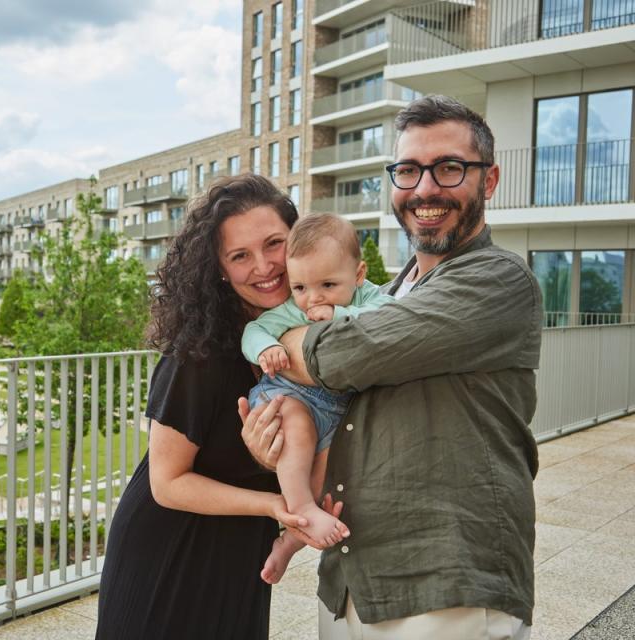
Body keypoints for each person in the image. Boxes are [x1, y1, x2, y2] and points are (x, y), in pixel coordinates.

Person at [241, 95, 542, 639]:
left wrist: (281, 336)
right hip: (352, 579)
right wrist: (277, 442)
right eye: (408, 170)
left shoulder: (495, 280)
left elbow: (341, 355)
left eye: (449, 168)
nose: (425, 188)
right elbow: (341, 402)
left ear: (489, 180)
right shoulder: (392, 290)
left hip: (445, 589)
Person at [95, 174, 324, 639]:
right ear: (219, 268)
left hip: (240, 555)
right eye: (240, 255)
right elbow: (167, 482)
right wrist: (275, 505)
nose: (264, 266)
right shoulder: (199, 352)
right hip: (170, 554)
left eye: (274, 244)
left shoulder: (311, 335)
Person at [241, 214, 392, 583]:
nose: (312, 299)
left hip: (334, 409)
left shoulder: (370, 296)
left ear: (358, 275)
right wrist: (268, 348)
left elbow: (387, 318)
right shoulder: (296, 307)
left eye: (327, 284)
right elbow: (255, 329)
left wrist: (339, 314)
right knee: (296, 426)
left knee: (326, 471)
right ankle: (301, 506)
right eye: (300, 287)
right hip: (289, 396)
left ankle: (291, 540)